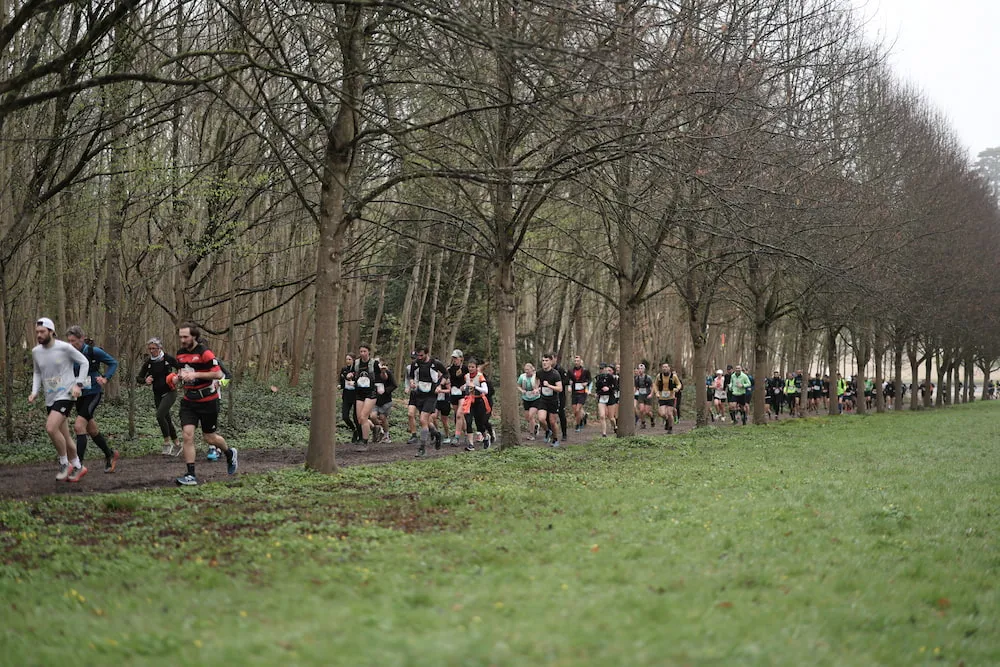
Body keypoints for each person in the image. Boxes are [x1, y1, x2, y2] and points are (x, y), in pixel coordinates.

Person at [174, 323, 238, 486]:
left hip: (209, 399)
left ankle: (229, 453)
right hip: (189, 401)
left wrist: (201, 377)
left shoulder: (206, 353)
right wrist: (177, 377)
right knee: (187, 435)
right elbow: (182, 371)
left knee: (209, 437)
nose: (182, 340)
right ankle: (190, 474)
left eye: (185, 337)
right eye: (180, 337)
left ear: (194, 337)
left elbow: (220, 374)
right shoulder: (180, 354)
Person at [29, 317, 90, 482]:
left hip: (66, 395)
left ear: (51, 332)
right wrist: (34, 391)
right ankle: (78, 465)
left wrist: (78, 384)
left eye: (42, 332)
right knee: (65, 436)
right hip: (50, 397)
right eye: (37, 332)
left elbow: (84, 362)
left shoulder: (64, 348)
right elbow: (37, 372)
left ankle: (64, 463)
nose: (39, 335)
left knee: (50, 428)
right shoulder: (36, 351)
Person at [65, 326, 120, 473]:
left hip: (93, 393)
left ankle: (78, 465)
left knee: (78, 426)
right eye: (69, 341)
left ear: (82, 339)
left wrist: (106, 378)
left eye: (74, 341)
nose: (71, 344)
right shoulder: (69, 354)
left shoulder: (93, 351)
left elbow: (113, 363)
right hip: (79, 395)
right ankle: (110, 454)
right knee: (92, 430)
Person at [137, 337, 181, 455]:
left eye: (154, 348)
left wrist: (177, 377)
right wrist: (145, 380)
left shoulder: (167, 358)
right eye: (150, 349)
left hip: (170, 392)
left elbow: (181, 368)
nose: (152, 351)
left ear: (159, 348)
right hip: (157, 394)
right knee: (166, 419)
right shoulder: (149, 363)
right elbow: (139, 377)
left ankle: (167, 442)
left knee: (159, 415)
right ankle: (177, 444)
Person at [408, 345, 447, 457]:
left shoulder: (435, 363)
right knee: (425, 421)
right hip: (419, 394)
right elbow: (411, 376)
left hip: (431, 396)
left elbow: (446, 374)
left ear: (426, 353)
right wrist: (412, 382)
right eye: (418, 355)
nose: (419, 357)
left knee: (422, 420)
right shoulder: (415, 364)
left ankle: (422, 448)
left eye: (421, 355)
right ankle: (437, 434)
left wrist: (440, 385)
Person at [348, 344, 381, 451]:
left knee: (363, 417)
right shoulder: (356, 363)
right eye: (361, 351)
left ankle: (365, 442)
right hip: (359, 392)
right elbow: (353, 373)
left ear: (369, 352)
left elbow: (380, 377)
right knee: (359, 419)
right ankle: (374, 428)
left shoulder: (374, 363)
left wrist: (381, 385)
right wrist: (350, 375)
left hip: (371, 393)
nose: (362, 353)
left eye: (364, 351)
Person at [458, 358, 494, 451]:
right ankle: (471, 444)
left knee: (480, 424)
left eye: (472, 367)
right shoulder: (466, 376)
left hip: (479, 401)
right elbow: (466, 386)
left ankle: (486, 437)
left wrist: (475, 387)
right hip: (469, 401)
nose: (470, 369)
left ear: (476, 367)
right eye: (469, 367)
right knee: (468, 422)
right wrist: (463, 387)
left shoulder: (480, 376)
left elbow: (485, 390)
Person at [536, 354, 563, 447]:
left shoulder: (555, 374)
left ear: (551, 362)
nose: (544, 362)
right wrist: (536, 389)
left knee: (552, 422)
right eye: (543, 360)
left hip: (553, 400)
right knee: (541, 419)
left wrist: (549, 386)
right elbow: (537, 383)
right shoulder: (539, 372)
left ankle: (555, 439)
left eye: (546, 360)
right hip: (543, 399)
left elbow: (560, 388)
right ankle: (547, 431)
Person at [372, 362, 397, 445]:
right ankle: (380, 428)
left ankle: (386, 435)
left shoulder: (388, 373)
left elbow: (394, 385)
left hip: (386, 401)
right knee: (373, 416)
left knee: (382, 417)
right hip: (374, 400)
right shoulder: (372, 373)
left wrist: (385, 391)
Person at [447, 350, 468, 446]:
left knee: (459, 415)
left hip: (463, 394)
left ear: (461, 358)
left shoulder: (465, 368)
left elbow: (471, 379)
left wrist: (466, 385)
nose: (454, 360)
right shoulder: (450, 369)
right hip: (454, 394)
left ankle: (457, 437)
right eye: (453, 358)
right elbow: (446, 378)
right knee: (459, 416)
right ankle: (467, 432)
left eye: (456, 358)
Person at [339, 353, 361, 444]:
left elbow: (361, 382)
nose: (347, 361)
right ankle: (354, 429)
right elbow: (342, 381)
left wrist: (355, 383)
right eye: (346, 359)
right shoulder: (344, 369)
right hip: (346, 395)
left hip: (356, 396)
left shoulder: (357, 370)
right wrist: (340, 386)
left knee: (356, 417)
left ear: (354, 360)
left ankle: (360, 436)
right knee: (345, 416)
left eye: (349, 359)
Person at [654, 362, 681, 433]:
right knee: (661, 413)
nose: (664, 368)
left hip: (670, 397)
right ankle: (667, 420)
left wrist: (677, 389)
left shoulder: (673, 376)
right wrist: (656, 392)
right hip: (662, 397)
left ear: (669, 368)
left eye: (666, 367)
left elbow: (679, 384)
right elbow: (655, 385)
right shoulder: (659, 376)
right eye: (663, 367)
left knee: (669, 413)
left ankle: (670, 428)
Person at [517, 362, 541, 440]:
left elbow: (542, 386)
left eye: (528, 370)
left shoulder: (537, 376)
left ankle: (531, 434)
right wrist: (522, 390)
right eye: (525, 370)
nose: (526, 371)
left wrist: (537, 390)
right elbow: (518, 386)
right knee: (527, 417)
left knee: (531, 415)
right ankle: (535, 426)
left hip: (535, 398)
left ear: (532, 369)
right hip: (526, 398)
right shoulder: (522, 377)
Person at [594, 363, 618, 437]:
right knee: (602, 416)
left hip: (610, 397)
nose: (601, 370)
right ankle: (604, 433)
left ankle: (615, 426)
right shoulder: (598, 377)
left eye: (603, 368)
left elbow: (615, 387)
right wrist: (597, 393)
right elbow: (597, 387)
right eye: (600, 369)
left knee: (611, 418)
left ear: (606, 368)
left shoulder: (611, 377)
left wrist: (609, 388)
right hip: (602, 398)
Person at [568, 356, 591, 432]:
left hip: (582, 393)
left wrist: (586, 383)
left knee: (578, 410)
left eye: (578, 361)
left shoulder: (585, 371)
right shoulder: (571, 371)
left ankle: (577, 425)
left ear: (580, 362)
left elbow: (590, 380)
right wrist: (569, 384)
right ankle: (583, 417)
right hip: (574, 392)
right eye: (575, 361)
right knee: (575, 411)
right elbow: (568, 379)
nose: (576, 362)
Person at [633, 364, 653, 429]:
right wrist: (633, 393)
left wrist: (651, 394)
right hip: (641, 395)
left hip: (647, 395)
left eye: (641, 369)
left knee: (647, 412)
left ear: (644, 370)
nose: (640, 370)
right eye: (639, 369)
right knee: (641, 410)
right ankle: (643, 422)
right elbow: (636, 387)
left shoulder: (648, 377)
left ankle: (652, 418)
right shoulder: (637, 378)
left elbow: (652, 386)